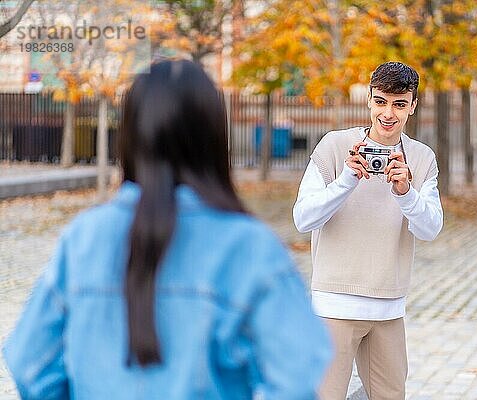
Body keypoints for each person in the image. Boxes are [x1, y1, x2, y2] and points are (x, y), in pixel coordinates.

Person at [3, 60, 331, 400]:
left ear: (130, 135)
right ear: (215, 137)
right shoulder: (250, 246)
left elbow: (30, 363)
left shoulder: (83, 238)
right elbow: (297, 373)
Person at [293, 61, 443, 399]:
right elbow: (303, 218)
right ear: (370, 100)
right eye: (381, 102)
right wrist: (346, 180)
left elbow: (431, 228)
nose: (388, 113)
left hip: (388, 307)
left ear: (412, 106)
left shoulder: (421, 158)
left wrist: (407, 194)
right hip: (334, 307)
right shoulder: (333, 147)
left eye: (399, 104)